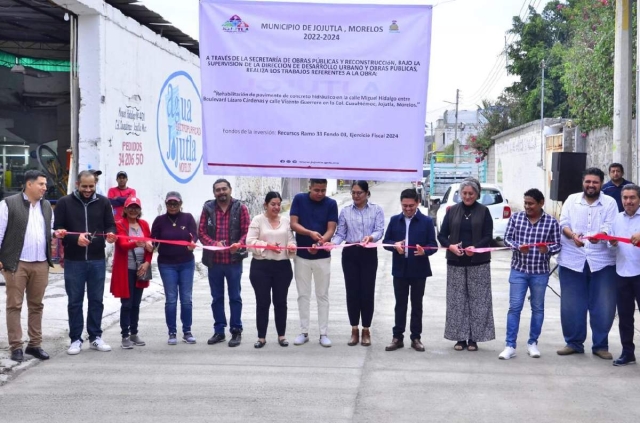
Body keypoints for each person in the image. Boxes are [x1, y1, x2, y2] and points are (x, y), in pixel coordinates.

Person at [0, 170, 65, 362]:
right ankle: (16, 346)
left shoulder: (46, 206)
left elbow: (47, 230)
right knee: (14, 305)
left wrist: (55, 234)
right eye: (42, 184)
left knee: (37, 305)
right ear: (29, 184)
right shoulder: (8, 204)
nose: (45, 188)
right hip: (16, 263)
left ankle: (34, 344)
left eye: (45, 185)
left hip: (40, 263)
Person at [556, 167, 618, 359]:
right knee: (572, 305)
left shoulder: (609, 202)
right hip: (572, 260)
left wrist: (601, 236)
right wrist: (573, 235)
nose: (591, 185)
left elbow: (610, 225)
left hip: (602, 261)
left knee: (604, 304)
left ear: (601, 184)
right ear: (583, 182)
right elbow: (563, 223)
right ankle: (573, 343)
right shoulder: (571, 200)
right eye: (588, 182)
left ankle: (600, 345)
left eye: (595, 182)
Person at [54, 170, 117, 355]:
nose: (88, 190)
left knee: (96, 300)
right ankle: (75, 339)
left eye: (91, 186)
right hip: (74, 260)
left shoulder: (104, 202)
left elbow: (110, 224)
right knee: (75, 302)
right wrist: (75, 240)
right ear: (77, 185)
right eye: (84, 186)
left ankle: (95, 337)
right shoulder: (64, 203)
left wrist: (111, 234)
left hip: (97, 259)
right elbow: (58, 229)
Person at [499, 188, 561, 360]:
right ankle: (510, 345)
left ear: (541, 203)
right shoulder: (516, 218)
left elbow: (558, 244)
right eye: (525, 203)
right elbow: (507, 239)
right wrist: (518, 247)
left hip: (539, 273)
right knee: (514, 307)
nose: (527, 206)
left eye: (531, 203)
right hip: (518, 270)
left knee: (538, 308)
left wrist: (547, 249)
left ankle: (532, 343)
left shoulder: (551, 222)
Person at [437, 177, 495, 352]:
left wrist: (476, 248)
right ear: (460, 194)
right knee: (457, 301)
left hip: (478, 262)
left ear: (477, 194)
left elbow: (488, 236)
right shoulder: (452, 210)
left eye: (471, 193)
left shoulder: (484, 211)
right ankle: (460, 338)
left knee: (478, 301)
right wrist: (450, 246)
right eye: (464, 193)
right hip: (456, 262)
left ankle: (474, 339)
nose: (467, 196)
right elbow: (441, 235)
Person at [382, 188, 437, 352]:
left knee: (417, 304)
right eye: (405, 206)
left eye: (411, 206)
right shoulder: (394, 220)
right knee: (400, 304)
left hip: (419, 269)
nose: (407, 209)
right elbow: (386, 242)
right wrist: (395, 246)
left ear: (418, 203)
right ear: (401, 203)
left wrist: (424, 251)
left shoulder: (426, 221)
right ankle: (397, 337)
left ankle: (416, 338)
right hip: (400, 269)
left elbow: (433, 245)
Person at [331, 181, 385, 347]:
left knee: (367, 293)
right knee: (352, 292)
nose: (356, 196)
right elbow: (341, 233)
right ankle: (354, 329)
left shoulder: (376, 209)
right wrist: (332, 244)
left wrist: (371, 237)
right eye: (353, 193)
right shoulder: (345, 211)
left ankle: (366, 329)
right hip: (350, 254)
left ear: (367, 193)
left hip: (368, 253)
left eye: (359, 193)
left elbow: (379, 230)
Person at [198, 179, 250, 347]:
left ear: (230, 189)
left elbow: (247, 231)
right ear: (214, 193)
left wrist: (239, 244)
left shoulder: (240, 207)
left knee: (235, 297)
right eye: (218, 190)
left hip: (233, 261)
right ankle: (219, 330)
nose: (221, 192)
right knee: (217, 298)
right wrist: (214, 244)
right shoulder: (208, 208)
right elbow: (201, 232)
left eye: (224, 189)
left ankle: (236, 331)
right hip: (214, 261)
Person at [290, 179, 338, 347]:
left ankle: (323, 333)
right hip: (302, 256)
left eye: (323, 190)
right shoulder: (299, 199)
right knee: (303, 295)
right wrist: (309, 233)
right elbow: (293, 224)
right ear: (309, 188)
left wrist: (319, 243)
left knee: (322, 295)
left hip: (323, 256)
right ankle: (304, 332)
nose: (320, 193)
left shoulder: (331, 203)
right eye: (316, 189)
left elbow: (331, 228)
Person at [246, 192, 297, 348]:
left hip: (282, 267)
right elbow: (249, 242)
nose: (276, 207)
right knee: (263, 302)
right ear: (265, 205)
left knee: (280, 302)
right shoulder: (257, 220)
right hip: (261, 267)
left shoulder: (286, 221)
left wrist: (292, 247)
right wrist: (267, 246)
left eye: (278, 204)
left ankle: (281, 335)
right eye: (272, 204)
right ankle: (261, 337)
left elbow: (291, 240)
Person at [151, 191, 198, 345]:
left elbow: (194, 235)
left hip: (186, 263)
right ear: (165, 204)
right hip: (166, 264)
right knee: (171, 299)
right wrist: (149, 246)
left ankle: (187, 331)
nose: (172, 206)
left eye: (175, 203)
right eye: (169, 203)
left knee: (186, 299)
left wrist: (192, 244)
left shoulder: (188, 218)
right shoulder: (159, 220)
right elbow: (154, 241)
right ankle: (172, 332)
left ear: (180, 204)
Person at [111, 197, 153, 349]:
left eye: (136, 207)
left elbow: (150, 247)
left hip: (141, 268)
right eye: (130, 207)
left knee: (136, 303)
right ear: (125, 209)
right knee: (126, 303)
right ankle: (125, 335)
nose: (133, 210)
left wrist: (147, 262)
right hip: (126, 268)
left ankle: (134, 333)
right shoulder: (120, 224)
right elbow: (122, 245)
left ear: (140, 210)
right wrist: (137, 242)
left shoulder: (144, 225)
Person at [608, 184, 640, 366]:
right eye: (625, 198)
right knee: (625, 317)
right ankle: (628, 353)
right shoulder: (616, 219)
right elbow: (609, 244)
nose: (628, 202)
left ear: (639, 199)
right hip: (622, 273)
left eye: (632, 198)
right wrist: (611, 243)